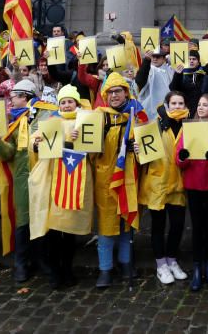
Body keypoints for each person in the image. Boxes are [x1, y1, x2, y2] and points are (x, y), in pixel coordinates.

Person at [0, 79, 56, 284]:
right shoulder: (12, 122)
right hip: (22, 177)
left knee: (42, 218)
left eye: (13, 98)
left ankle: (42, 260)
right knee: (23, 221)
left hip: (44, 173)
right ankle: (21, 263)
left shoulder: (47, 113)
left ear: (25, 97)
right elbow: (8, 153)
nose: (10, 103)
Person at [27, 85, 94, 289]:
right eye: (63, 102)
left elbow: (93, 147)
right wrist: (37, 145)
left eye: (70, 102)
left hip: (74, 179)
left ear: (76, 103)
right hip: (52, 178)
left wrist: (77, 140)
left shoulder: (85, 121)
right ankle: (55, 272)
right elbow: (34, 141)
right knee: (54, 230)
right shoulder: (50, 121)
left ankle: (67, 269)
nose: (66, 105)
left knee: (69, 229)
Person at [93, 72, 147, 288]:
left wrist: (139, 148)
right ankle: (105, 269)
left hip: (130, 176)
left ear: (126, 92)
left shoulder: (138, 114)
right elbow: (89, 150)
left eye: (118, 91)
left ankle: (126, 263)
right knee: (106, 227)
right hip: (105, 178)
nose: (114, 95)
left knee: (127, 223)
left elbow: (149, 146)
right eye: (110, 92)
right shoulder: (98, 116)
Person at [176, 93, 208, 291]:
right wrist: (183, 157)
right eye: (199, 105)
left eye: (205, 105)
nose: (200, 108)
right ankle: (197, 268)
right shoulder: (189, 129)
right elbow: (179, 159)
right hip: (193, 185)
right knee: (197, 229)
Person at [141, 91, 189, 285]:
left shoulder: (190, 126)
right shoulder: (156, 125)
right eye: (174, 103)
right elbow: (144, 152)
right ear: (167, 105)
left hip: (179, 183)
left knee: (177, 225)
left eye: (180, 103)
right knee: (158, 226)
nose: (177, 106)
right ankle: (161, 264)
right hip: (158, 182)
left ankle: (172, 259)